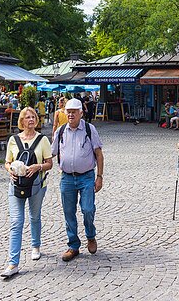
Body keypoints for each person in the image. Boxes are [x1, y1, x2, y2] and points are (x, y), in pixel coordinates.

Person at [1, 107, 53, 278]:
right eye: (27, 117)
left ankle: (35, 245)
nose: (31, 120)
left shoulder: (43, 139)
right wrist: (11, 170)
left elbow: (49, 163)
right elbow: (7, 162)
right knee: (16, 222)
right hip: (16, 185)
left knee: (35, 216)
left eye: (33, 117)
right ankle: (12, 263)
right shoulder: (13, 141)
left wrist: (38, 166)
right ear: (21, 121)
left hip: (37, 184)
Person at [51, 98, 104, 262]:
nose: (71, 114)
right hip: (67, 177)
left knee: (88, 209)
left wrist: (99, 177)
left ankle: (90, 235)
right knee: (68, 212)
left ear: (81, 113)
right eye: (69, 112)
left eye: (74, 112)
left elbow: (99, 154)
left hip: (87, 176)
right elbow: (51, 153)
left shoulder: (89, 129)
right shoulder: (60, 131)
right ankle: (73, 245)